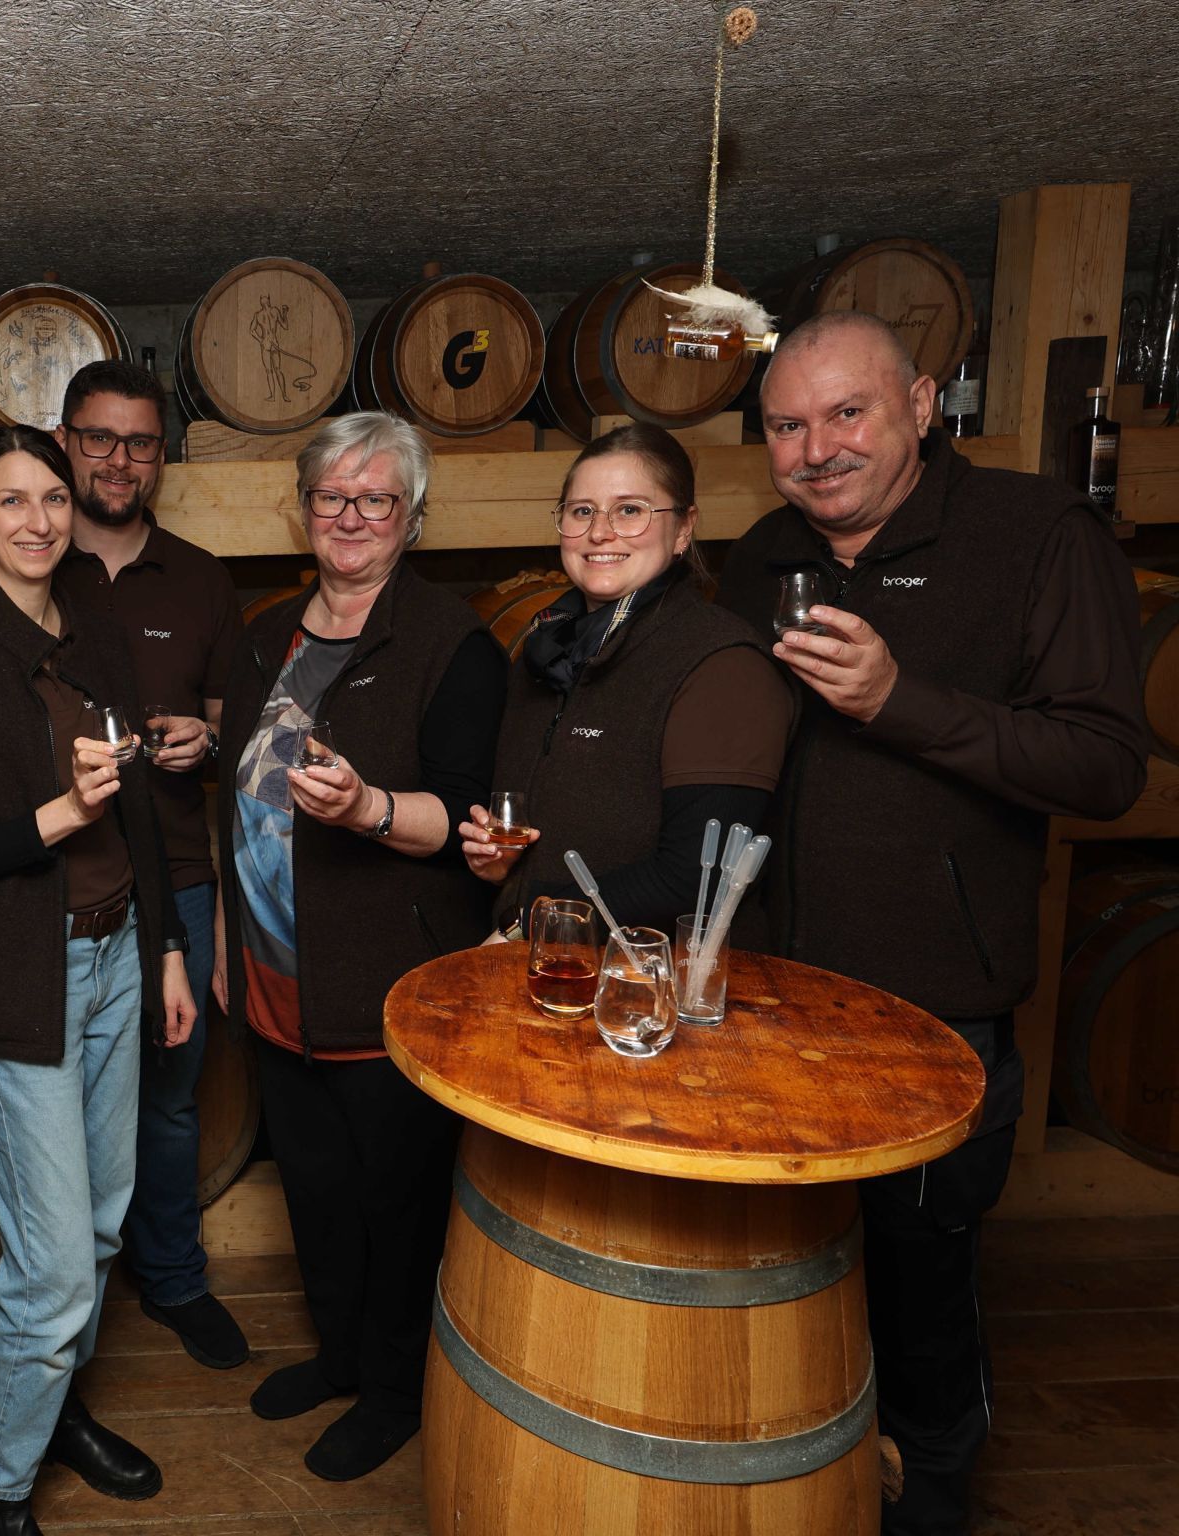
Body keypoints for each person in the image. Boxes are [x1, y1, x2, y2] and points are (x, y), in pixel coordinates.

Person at [714, 312, 1149, 1535]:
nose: (816, 450)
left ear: (920, 399)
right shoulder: (754, 556)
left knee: (920, 1289)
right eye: (786, 427)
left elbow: (1105, 765)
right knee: (787, 1275)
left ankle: (933, 1498)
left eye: (846, 414)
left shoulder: (1033, 535)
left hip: (930, 1008)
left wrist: (902, 701)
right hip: (767, 997)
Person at [0, 426, 195, 1536]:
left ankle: (51, 1406)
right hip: (24, 976)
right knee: (55, 1266)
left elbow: (150, 820)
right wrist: (59, 815)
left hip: (119, 956)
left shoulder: (99, 639)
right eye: (10, 500)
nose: (37, 520)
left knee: (104, 1228)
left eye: (52, 498)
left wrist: (164, 949)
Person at [215, 410, 505, 1481]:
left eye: (374, 498)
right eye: (331, 495)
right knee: (315, 1194)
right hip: (273, 980)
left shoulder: (451, 644)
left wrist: (370, 808)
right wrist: (220, 946)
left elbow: (466, 824)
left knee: (394, 1203)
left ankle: (393, 1389)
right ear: (302, 511)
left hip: (391, 986)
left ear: (411, 518)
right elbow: (233, 806)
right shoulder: (263, 635)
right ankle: (337, 1357)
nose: (349, 515)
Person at [51, 358, 250, 1370]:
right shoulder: (26, 570)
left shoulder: (201, 579)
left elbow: (226, 731)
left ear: (157, 456)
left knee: (171, 1093)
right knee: (51, 1098)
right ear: (63, 444)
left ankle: (171, 1280)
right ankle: (46, 1303)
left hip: (173, 869)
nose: (117, 459)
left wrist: (198, 746)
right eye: (98, 438)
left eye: (136, 442)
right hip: (63, 879)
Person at [461, 422, 790, 933]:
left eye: (630, 510)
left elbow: (694, 879)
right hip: (552, 976)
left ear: (684, 527)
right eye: (582, 511)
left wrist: (532, 919)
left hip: (656, 991)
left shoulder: (723, 664)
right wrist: (499, 865)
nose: (600, 532)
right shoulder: (547, 648)